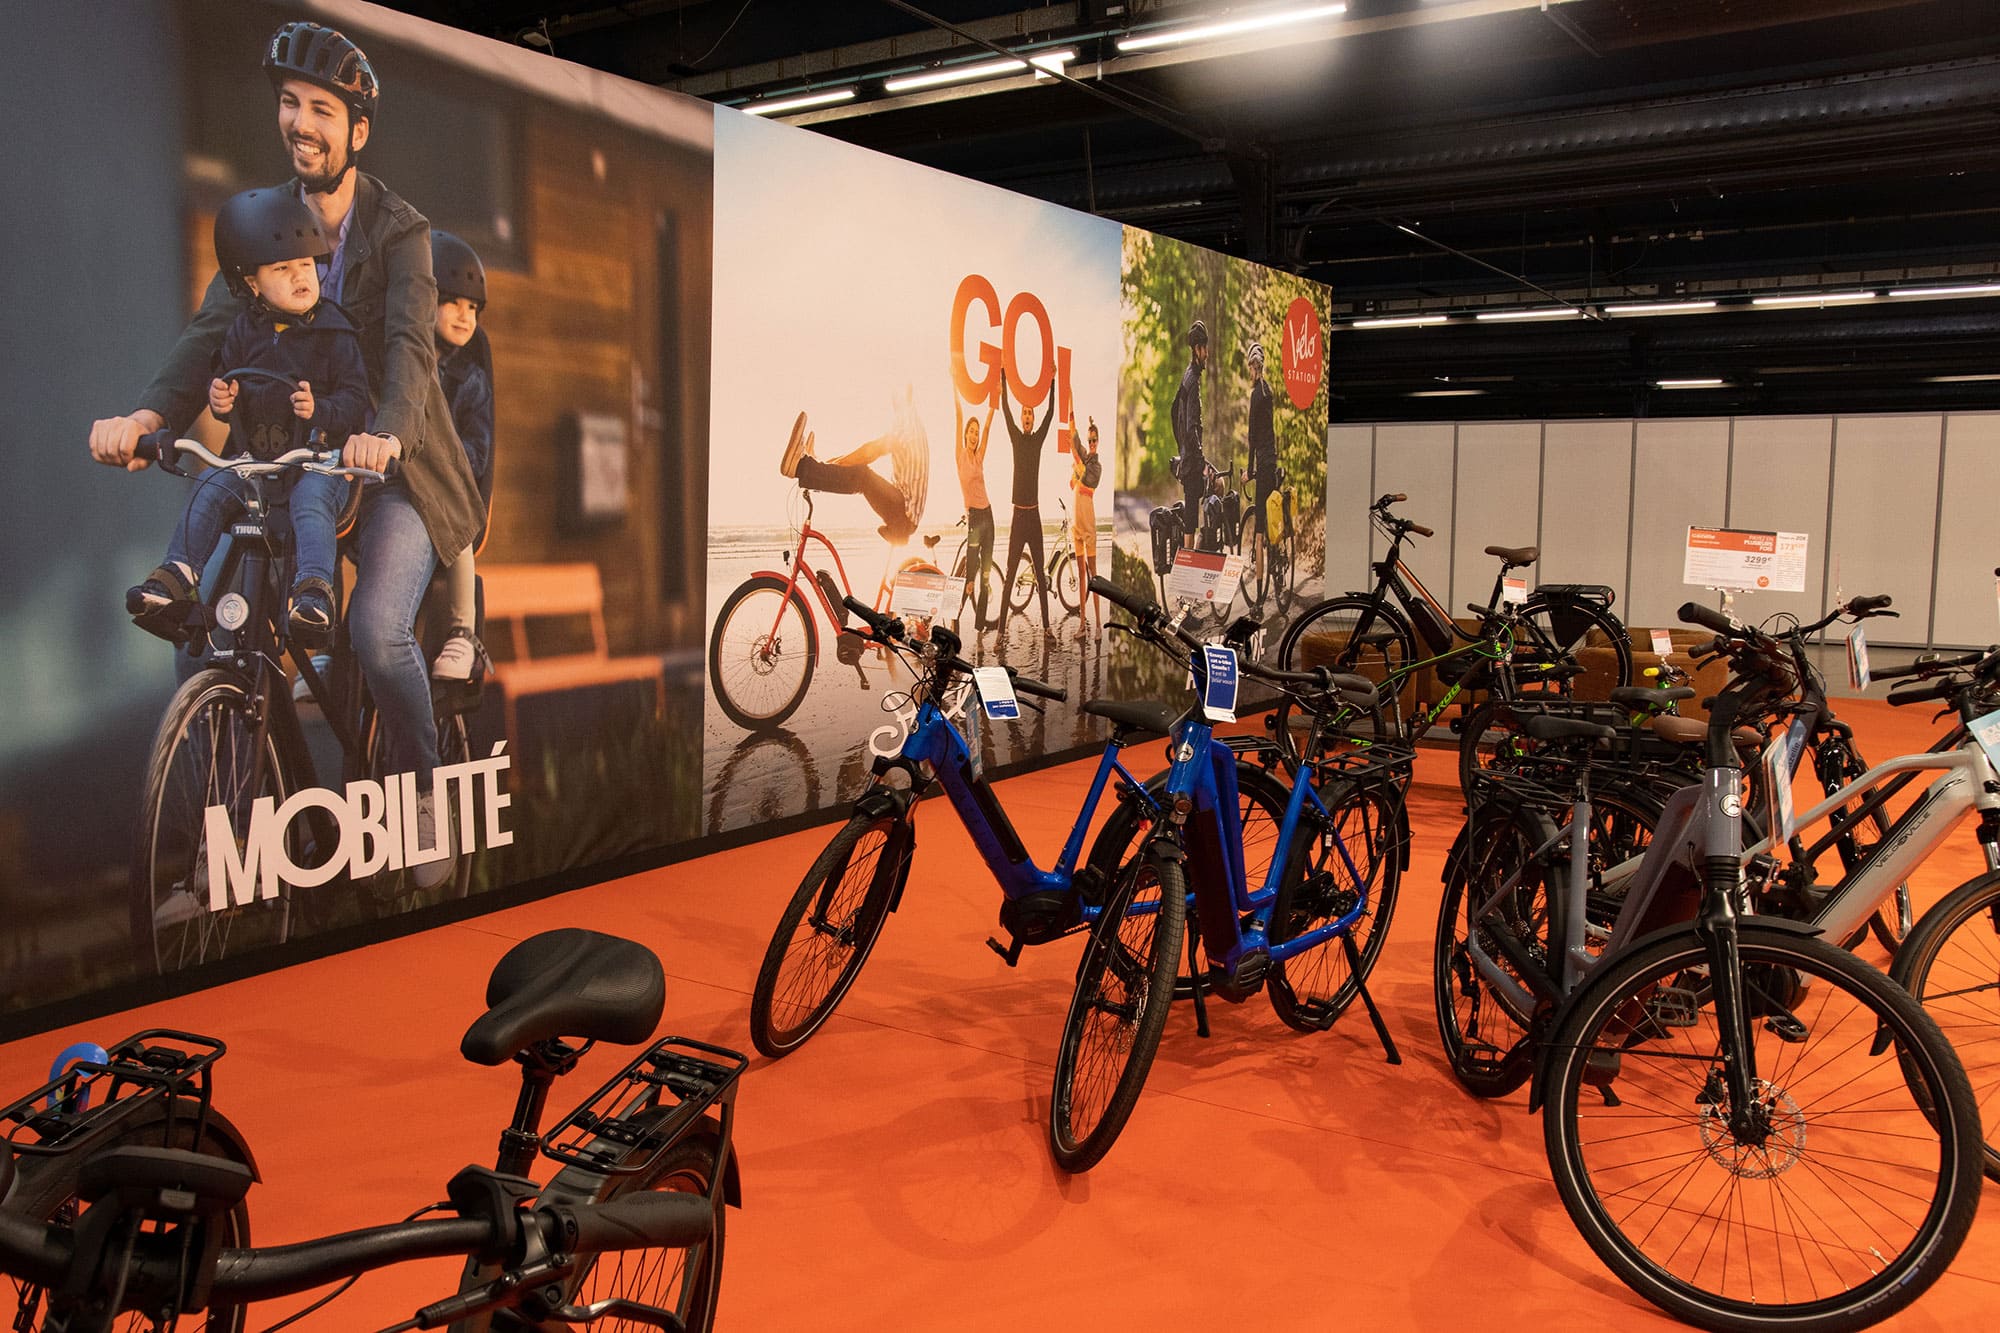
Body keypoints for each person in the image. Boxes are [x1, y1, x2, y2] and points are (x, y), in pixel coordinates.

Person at [87, 21, 483, 890]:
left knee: (378, 632)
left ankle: (417, 794)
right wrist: (147, 414)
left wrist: (381, 430)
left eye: (321, 110)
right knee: (203, 638)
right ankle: (217, 834)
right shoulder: (265, 223)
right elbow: (208, 335)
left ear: (357, 132)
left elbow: (413, 352)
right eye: (290, 104)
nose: (301, 122)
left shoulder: (401, 233)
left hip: (393, 469)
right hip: (292, 463)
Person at [126, 189, 369, 651]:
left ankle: (312, 592)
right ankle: (178, 577)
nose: (301, 277)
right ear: (252, 285)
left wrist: (320, 410)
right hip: (256, 459)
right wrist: (222, 398)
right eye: (282, 269)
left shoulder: (335, 332)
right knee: (209, 485)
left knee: (311, 501)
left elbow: (356, 402)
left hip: (318, 458)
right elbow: (226, 379)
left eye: (305, 265)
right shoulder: (243, 330)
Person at [429, 230, 495, 681]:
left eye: (472, 308)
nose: (464, 316)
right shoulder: (409, 361)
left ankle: (462, 631)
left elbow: (479, 445)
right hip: (396, 483)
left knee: (458, 522)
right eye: (453, 302)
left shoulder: (469, 377)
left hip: (449, 486)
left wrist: (446, 460)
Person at [777, 389, 928, 545]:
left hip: (902, 515)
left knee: (862, 476)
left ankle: (800, 468)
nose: (893, 402)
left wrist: (833, 465)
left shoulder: (907, 427)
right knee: (859, 473)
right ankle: (814, 466)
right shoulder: (912, 423)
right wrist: (829, 465)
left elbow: (869, 453)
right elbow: (861, 456)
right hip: (902, 512)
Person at [998, 370, 1056, 639]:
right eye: (1025, 413)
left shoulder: (1038, 440)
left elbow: (1051, 413)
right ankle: (1000, 633)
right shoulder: (1015, 437)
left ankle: (1046, 628)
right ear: (1021, 418)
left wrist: (1053, 380)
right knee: (1010, 575)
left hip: (1034, 518)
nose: (1028, 417)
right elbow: (1005, 408)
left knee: (1042, 576)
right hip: (1017, 518)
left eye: (1030, 413)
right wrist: (1002, 376)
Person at [953, 390, 997, 629]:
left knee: (985, 580)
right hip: (974, 520)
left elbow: (989, 427)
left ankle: (980, 631)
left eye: (977, 432)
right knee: (969, 578)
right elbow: (959, 416)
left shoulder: (979, 457)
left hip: (988, 517)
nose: (975, 435)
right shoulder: (960, 457)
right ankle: (955, 622)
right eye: (971, 431)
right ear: (965, 434)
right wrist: (955, 387)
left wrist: (993, 403)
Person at [1171, 318, 1209, 551]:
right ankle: (1190, 560)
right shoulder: (1193, 381)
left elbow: (1173, 409)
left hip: (1188, 457)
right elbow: (1192, 426)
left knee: (1215, 489)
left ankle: (1198, 550)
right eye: (1205, 348)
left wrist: (1182, 448)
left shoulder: (1187, 375)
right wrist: (1200, 458)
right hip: (1192, 462)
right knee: (1192, 518)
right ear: (1197, 350)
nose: (1207, 354)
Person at [1245, 339, 1278, 589]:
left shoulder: (1256, 395)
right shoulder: (1269, 392)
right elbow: (1269, 434)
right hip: (1273, 461)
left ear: (1253, 367)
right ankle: (1277, 565)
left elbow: (1252, 438)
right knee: (1270, 520)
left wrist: (1249, 472)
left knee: (1258, 531)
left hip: (1262, 464)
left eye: (1249, 367)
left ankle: (1257, 596)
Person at [1069, 415, 1103, 640]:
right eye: (1089, 440)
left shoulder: (1096, 467)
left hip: (1088, 525)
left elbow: (1083, 483)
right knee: (1081, 574)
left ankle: (1099, 624)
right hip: (1076, 525)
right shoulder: (1082, 459)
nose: (1090, 443)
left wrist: (1077, 468)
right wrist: (1071, 405)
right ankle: (1082, 623)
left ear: (1097, 442)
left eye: (1094, 440)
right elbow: (1074, 439)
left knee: (1093, 575)